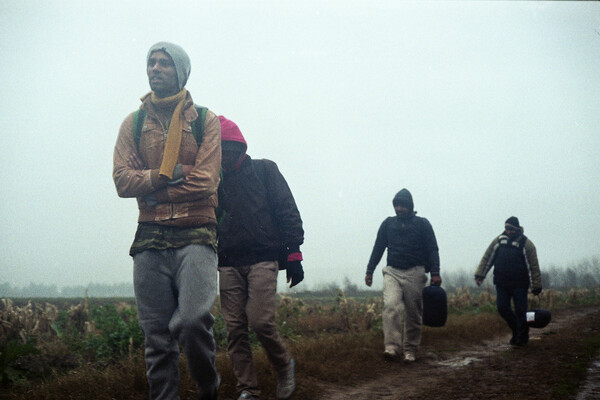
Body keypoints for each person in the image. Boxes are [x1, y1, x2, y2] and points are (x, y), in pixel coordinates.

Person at [113, 42, 221, 400]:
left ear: (181, 72)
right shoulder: (134, 123)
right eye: (151, 62)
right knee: (156, 337)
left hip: (196, 233)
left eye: (164, 63)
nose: (155, 68)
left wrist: (153, 189)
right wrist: (166, 175)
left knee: (192, 322)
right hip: (149, 238)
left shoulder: (206, 121)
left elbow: (206, 180)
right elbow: (121, 180)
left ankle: (208, 387)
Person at [216, 116, 304, 400]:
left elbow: (286, 210)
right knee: (235, 329)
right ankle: (248, 389)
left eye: (230, 148)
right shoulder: (213, 180)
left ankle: (284, 365)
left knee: (260, 321)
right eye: (220, 150)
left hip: (263, 258)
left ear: (240, 146)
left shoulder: (265, 170)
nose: (226, 155)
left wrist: (294, 254)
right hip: (228, 261)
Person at [365, 188, 441, 363]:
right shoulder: (388, 224)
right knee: (391, 306)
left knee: (413, 313)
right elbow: (378, 248)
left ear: (410, 206)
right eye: (396, 205)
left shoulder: (422, 224)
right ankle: (391, 347)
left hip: (415, 272)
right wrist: (369, 271)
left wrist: (435, 272)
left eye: (402, 206)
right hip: (392, 271)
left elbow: (432, 249)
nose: (399, 209)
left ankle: (410, 350)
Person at [475, 216, 542, 346]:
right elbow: (488, 257)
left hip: (520, 284)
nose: (509, 231)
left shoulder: (526, 244)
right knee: (502, 308)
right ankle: (517, 330)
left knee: (521, 311)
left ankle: (522, 337)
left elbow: (533, 266)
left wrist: (536, 285)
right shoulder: (499, 241)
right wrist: (480, 275)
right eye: (506, 228)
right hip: (502, 283)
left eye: (511, 229)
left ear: (517, 228)